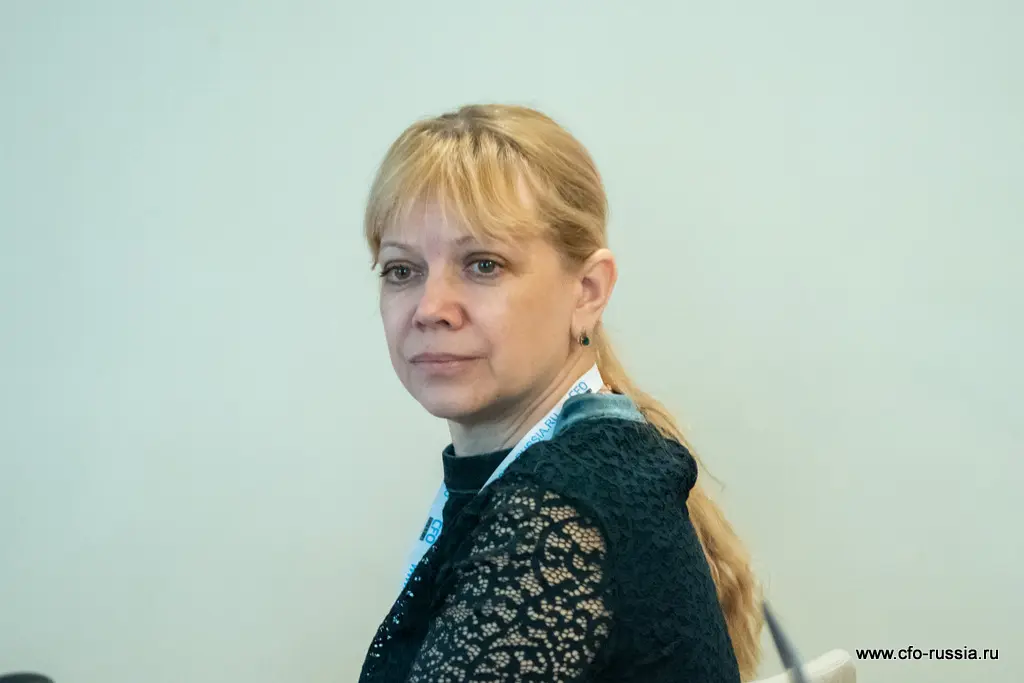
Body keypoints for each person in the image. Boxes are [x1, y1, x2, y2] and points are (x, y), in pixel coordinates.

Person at [357, 104, 762, 683]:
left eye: (483, 264)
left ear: (588, 291)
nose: (430, 308)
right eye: (402, 270)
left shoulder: (553, 520)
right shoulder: (596, 468)